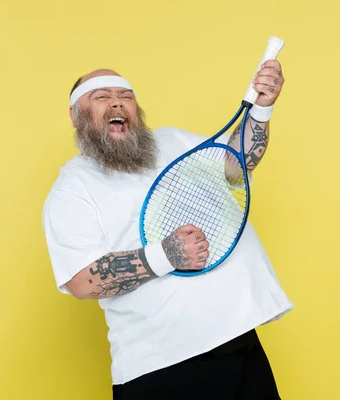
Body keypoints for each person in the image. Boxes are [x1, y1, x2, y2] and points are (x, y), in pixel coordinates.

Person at [42, 61, 294, 399]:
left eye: (126, 96)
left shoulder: (174, 140)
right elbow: (80, 280)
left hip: (239, 345)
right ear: (76, 115)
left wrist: (262, 108)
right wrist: (165, 255)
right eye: (101, 96)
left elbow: (235, 165)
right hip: (159, 368)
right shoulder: (71, 188)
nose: (117, 102)